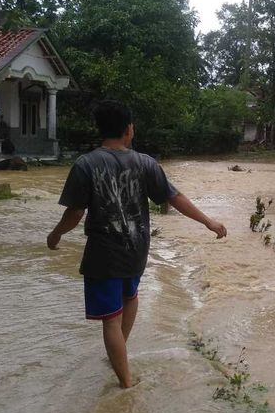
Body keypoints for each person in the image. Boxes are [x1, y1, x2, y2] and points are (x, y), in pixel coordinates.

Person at [47, 100, 226, 388]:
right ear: (128, 129)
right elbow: (173, 197)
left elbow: (75, 213)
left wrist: (55, 235)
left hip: (104, 254)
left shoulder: (85, 164)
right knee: (130, 298)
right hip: (137, 249)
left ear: (100, 129)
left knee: (110, 320)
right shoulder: (146, 163)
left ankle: (126, 384)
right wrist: (208, 222)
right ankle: (120, 354)